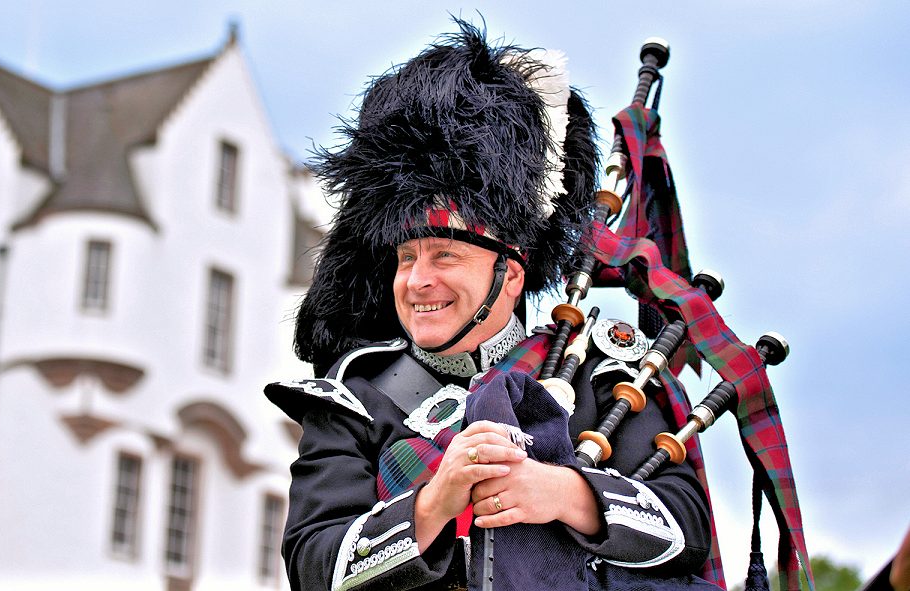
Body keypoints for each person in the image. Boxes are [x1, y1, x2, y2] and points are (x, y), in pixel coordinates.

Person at [266, 20, 718, 591]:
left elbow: (688, 527)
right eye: (407, 258)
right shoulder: (353, 398)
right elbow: (312, 567)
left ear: (510, 273)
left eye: (445, 256)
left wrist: (564, 494)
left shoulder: (599, 374)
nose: (416, 280)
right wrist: (434, 502)